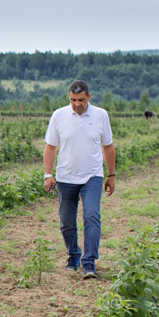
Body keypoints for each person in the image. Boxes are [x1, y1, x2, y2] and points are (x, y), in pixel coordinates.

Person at [43, 80, 116, 279]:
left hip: (92, 176)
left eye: (81, 100)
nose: (77, 104)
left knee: (91, 215)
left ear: (89, 98)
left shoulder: (101, 115)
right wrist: (48, 174)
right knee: (66, 222)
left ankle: (89, 262)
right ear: (69, 98)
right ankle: (73, 255)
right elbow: (51, 147)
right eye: (73, 100)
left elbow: (108, 146)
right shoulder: (59, 116)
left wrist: (111, 175)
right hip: (65, 177)